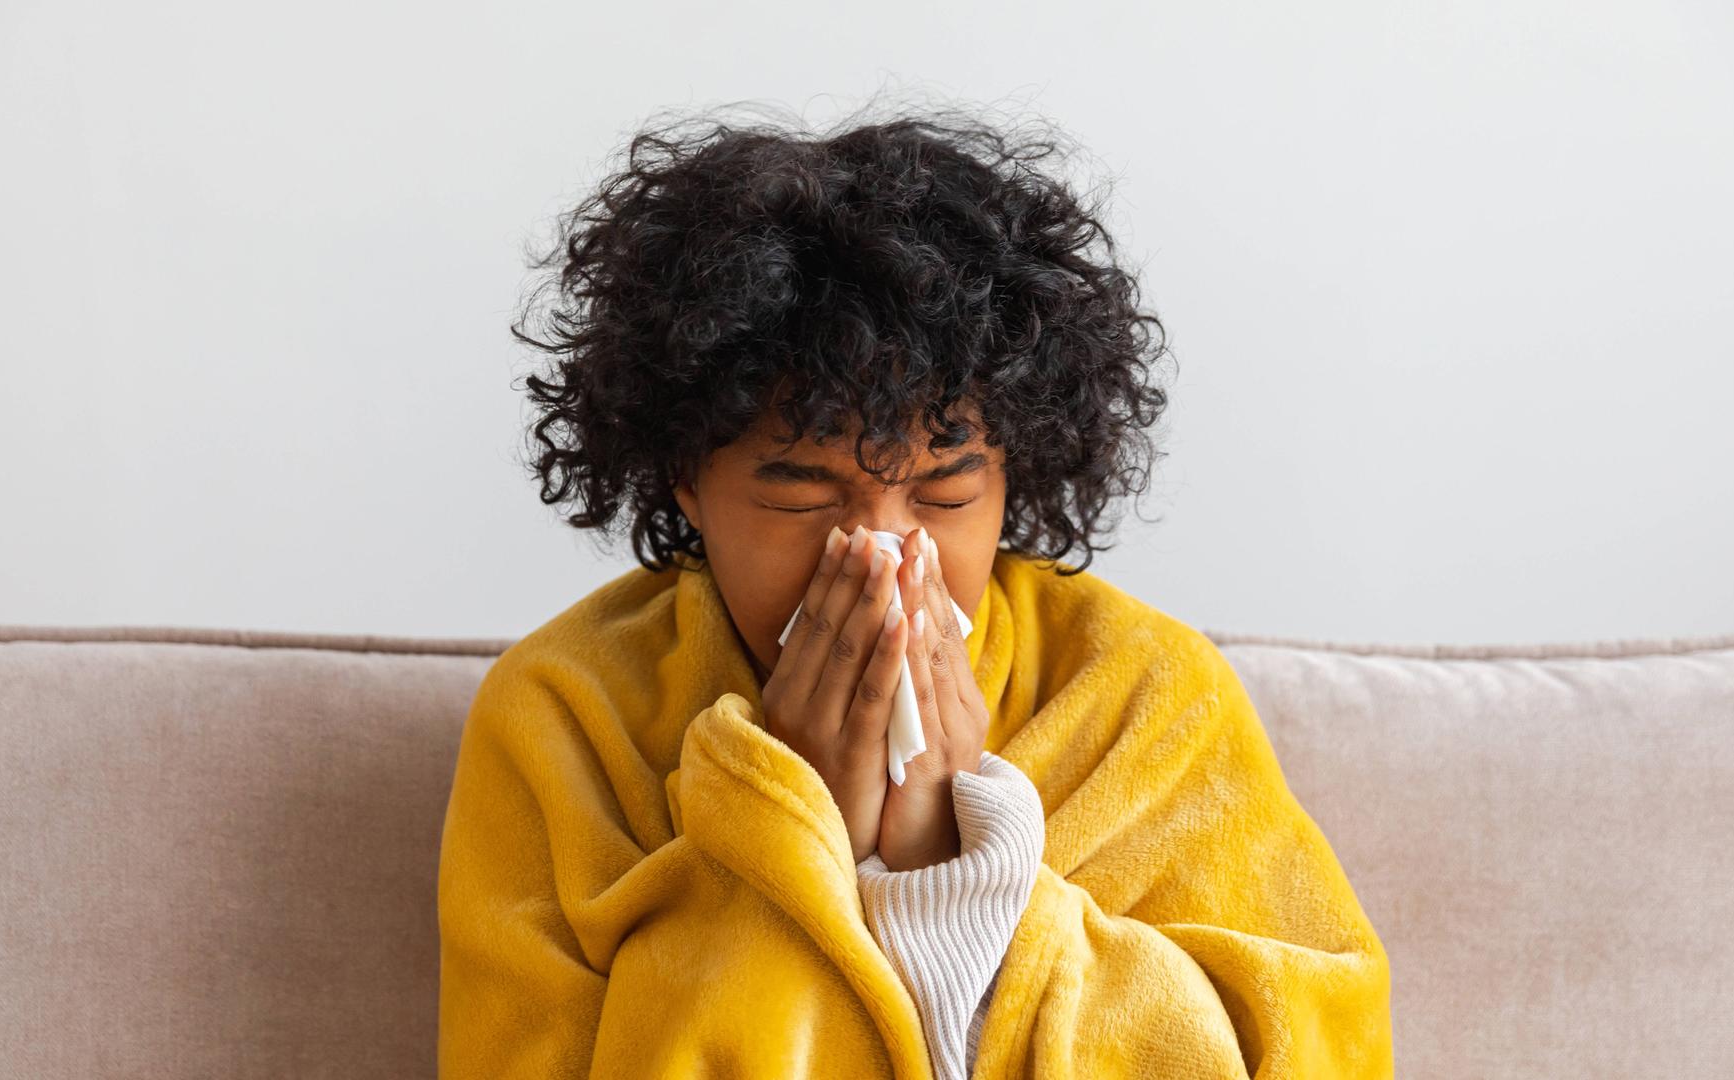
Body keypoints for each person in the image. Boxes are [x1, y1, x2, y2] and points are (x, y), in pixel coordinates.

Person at [437, 99, 1393, 1079]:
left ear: (1016, 473)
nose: (886, 555)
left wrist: (954, 860)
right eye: (805, 491)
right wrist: (799, 840)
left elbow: (1317, 1041)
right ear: (686, 476)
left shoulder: (1147, 692)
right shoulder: (561, 716)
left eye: (944, 490)